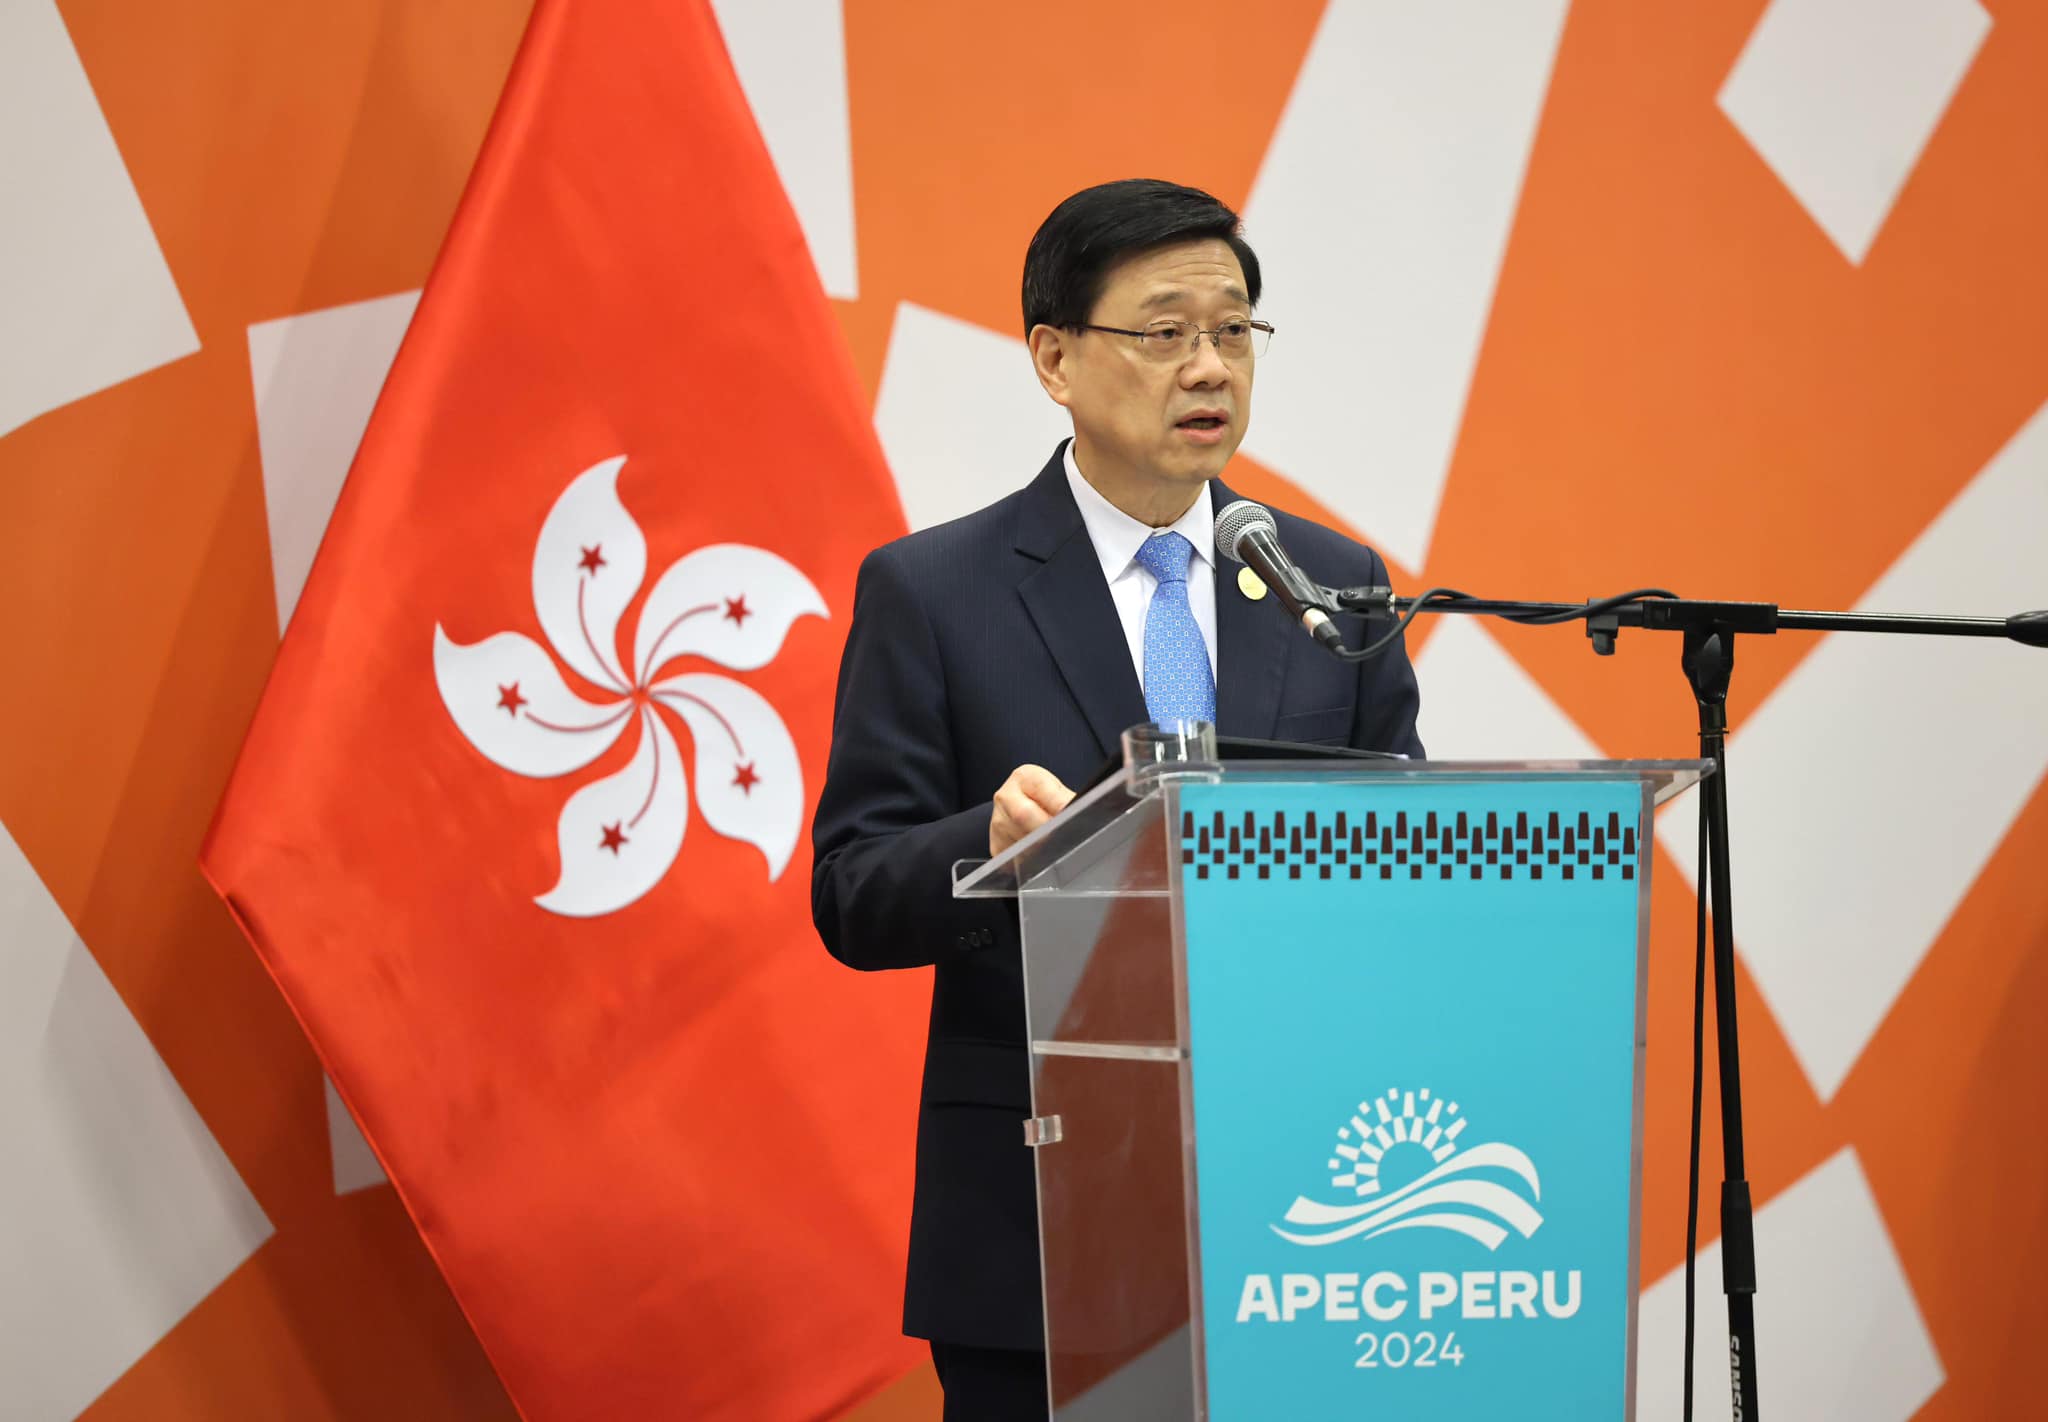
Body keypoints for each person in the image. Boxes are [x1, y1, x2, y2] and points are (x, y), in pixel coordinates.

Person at [810, 178, 1424, 1419]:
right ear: (1053, 358)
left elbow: (1401, 860)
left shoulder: (1329, 584)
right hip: (1038, 1222)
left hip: (1305, 1215)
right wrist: (985, 845)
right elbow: (851, 892)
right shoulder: (935, 592)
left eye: (1232, 330)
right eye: (1163, 332)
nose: (1208, 366)